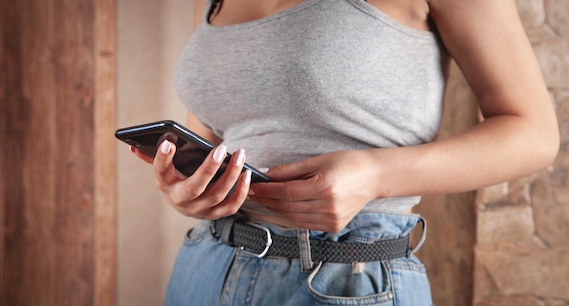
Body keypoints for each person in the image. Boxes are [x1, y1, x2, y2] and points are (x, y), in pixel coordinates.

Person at [132, 0, 559, 304]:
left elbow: (534, 132)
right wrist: (193, 188)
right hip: (207, 266)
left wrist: (375, 175)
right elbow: (214, 128)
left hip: (346, 277)